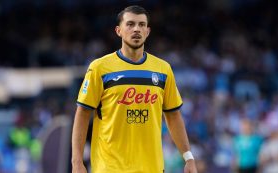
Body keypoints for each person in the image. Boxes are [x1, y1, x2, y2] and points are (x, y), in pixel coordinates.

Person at [71, 5, 197, 173]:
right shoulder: (99, 68)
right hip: (110, 168)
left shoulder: (163, 70)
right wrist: (76, 162)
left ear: (148, 31)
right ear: (119, 31)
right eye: (130, 24)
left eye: (141, 25)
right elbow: (82, 114)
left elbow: (173, 115)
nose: (136, 29)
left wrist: (188, 157)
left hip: (152, 168)